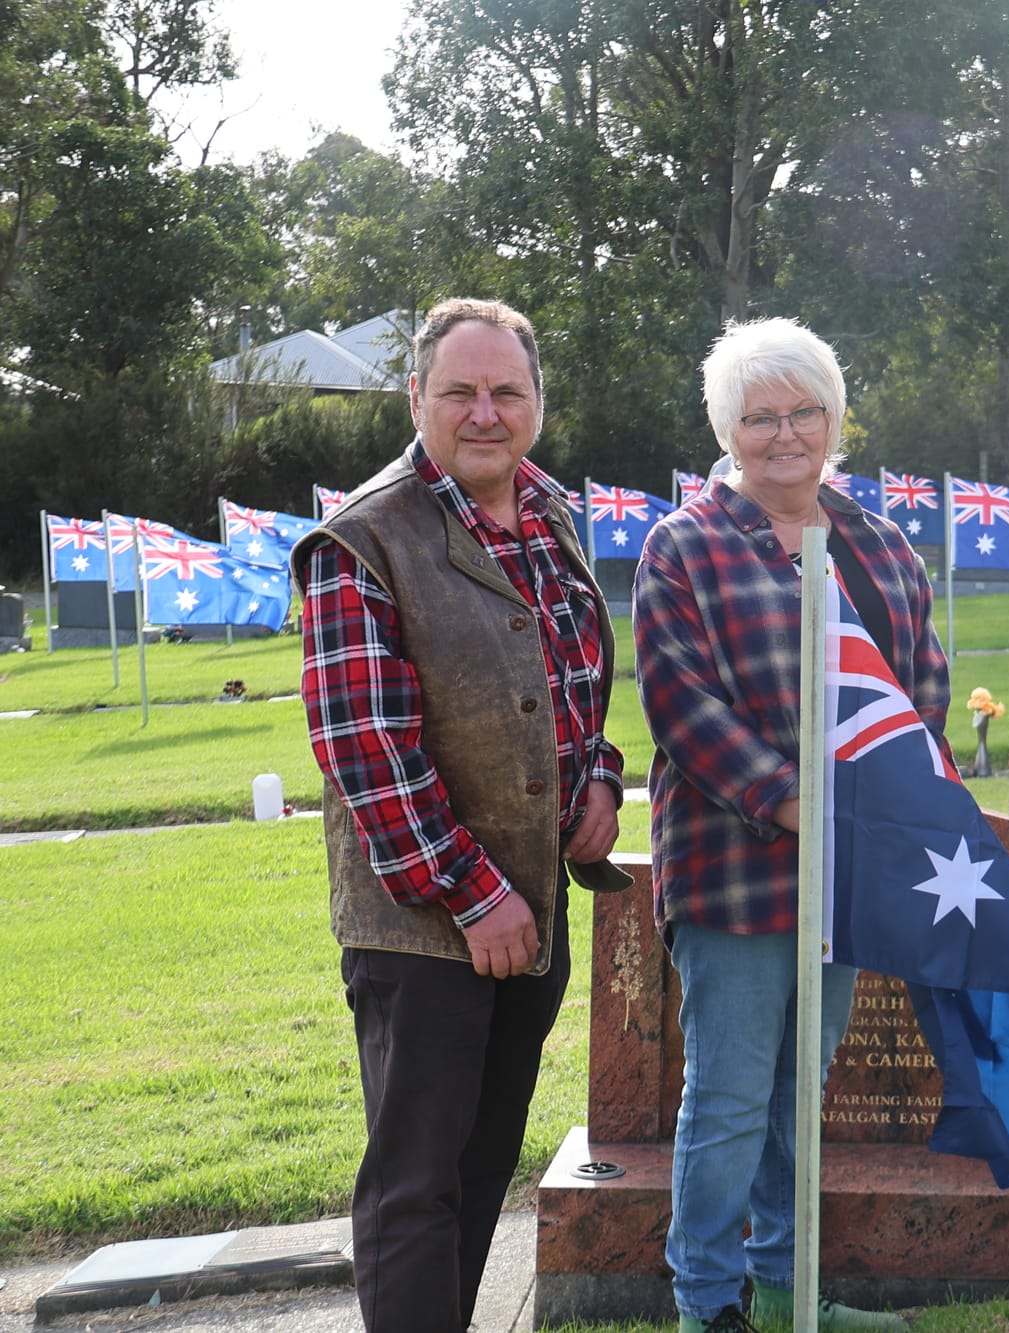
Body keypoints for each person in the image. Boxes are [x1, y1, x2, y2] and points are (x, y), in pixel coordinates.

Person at [296, 298, 628, 1333]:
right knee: (414, 1188)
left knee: (482, 1168)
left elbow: (571, 689)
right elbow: (369, 754)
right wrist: (475, 897)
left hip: (527, 917)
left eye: (506, 392)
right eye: (460, 392)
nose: (484, 412)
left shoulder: (548, 509)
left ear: (535, 402)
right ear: (416, 398)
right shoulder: (361, 538)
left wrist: (602, 779)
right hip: (427, 924)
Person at [632, 317, 942, 1333]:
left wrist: (883, 799)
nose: (782, 433)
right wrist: (787, 796)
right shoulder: (681, 546)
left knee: (797, 1092)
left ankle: (784, 1282)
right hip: (732, 866)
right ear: (726, 429)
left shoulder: (877, 542)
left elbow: (918, 679)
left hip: (844, 866)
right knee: (726, 1099)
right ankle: (706, 1302)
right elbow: (679, 701)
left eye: (801, 410)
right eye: (757, 416)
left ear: (832, 417)